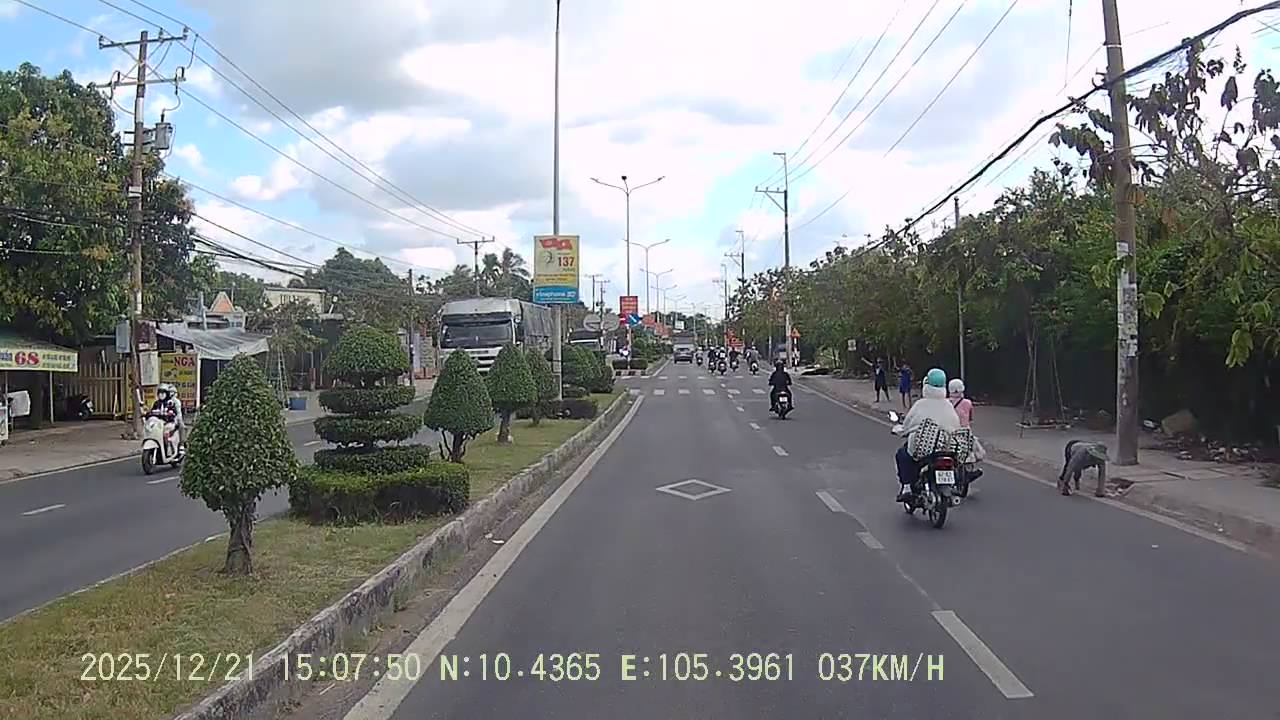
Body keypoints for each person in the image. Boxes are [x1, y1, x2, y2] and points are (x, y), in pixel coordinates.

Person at [895, 368, 960, 501]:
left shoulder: (920, 404)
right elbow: (955, 426)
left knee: (902, 455)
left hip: (923, 449)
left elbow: (908, 424)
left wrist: (901, 430)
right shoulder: (948, 405)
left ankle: (907, 487)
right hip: (946, 448)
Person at [149, 383, 185, 452]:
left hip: (169, 421)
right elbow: (152, 410)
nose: (161, 395)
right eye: (160, 393)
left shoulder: (173, 402)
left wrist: (173, 415)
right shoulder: (156, 403)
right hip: (159, 422)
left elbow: (177, 412)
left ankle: (180, 445)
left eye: (163, 393)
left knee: (180, 426)